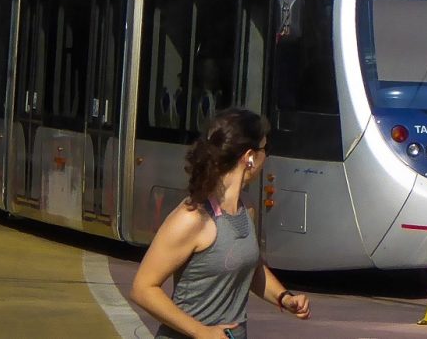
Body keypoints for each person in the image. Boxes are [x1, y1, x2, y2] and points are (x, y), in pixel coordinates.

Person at [131, 109, 310, 338]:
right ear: (250, 157)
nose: (267, 157)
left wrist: (284, 297)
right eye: (266, 149)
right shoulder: (192, 217)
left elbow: (249, 266)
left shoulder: (245, 210)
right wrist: (201, 332)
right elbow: (142, 288)